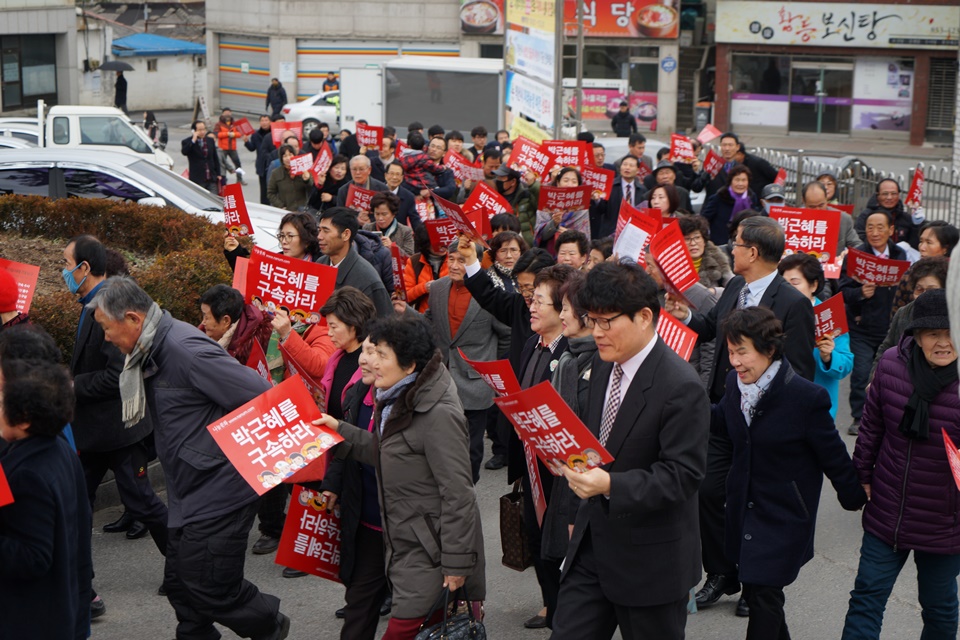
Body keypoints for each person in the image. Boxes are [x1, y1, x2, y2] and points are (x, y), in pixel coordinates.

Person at [87, 277, 290, 640]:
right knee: (181, 585)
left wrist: (219, 454)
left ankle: (270, 624)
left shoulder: (185, 350)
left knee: (210, 586)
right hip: (188, 488)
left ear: (133, 319)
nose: (105, 337)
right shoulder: (151, 349)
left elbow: (260, 396)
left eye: (106, 328)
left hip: (220, 488)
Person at [550, 261, 709, 640]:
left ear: (644, 317)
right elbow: (596, 444)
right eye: (592, 320)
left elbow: (681, 476)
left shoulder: (680, 385)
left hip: (651, 561)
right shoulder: (605, 364)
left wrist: (609, 486)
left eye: (607, 321)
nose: (598, 332)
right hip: (592, 545)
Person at [667, 216, 816, 616]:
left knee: (753, 501)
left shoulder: (793, 302)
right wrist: (683, 317)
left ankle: (755, 583)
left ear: (753, 251)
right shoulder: (736, 286)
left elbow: (799, 368)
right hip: (723, 410)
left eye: (735, 244)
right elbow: (711, 328)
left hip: (764, 423)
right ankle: (720, 571)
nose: (730, 248)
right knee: (709, 490)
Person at [316, 315, 486, 639]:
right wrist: (339, 431)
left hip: (430, 552)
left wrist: (456, 563)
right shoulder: (397, 395)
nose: (371, 363)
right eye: (373, 352)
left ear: (409, 366)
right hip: (404, 544)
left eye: (381, 355)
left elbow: (459, 493)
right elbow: (387, 452)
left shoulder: (437, 412)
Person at [713, 308, 866, 639]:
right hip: (743, 510)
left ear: (769, 350)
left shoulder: (805, 397)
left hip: (784, 515)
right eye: (730, 351)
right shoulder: (734, 384)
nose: (735, 361)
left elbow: (833, 454)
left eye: (742, 351)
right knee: (762, 595)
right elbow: (722, 420)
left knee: (765, 598)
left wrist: (855, 496)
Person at [841, 289, 960, 640]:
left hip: (944, 521)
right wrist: (861, 474)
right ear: (916, 335)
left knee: (939, 608)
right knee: (866, 596)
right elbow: (871, 426)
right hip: (887, 510)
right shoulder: (893, 363)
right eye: (933, 333)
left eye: (951, 332)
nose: (943, 342)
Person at [63, 235, 168, 561]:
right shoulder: (92, 302)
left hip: (120, 430)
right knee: (75, 502)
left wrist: (72, 385)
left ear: (84, 267)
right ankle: (80, 581)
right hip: (95, 432)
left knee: (143, 503)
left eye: (66, 264)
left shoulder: (111, 305)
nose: (62, 271)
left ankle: (185, 567)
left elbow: (116, 375)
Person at [0, 338, 93, 640]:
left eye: (3, 403)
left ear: (25, 418)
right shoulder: (59, 451)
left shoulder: (27, 474)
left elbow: (33, 556)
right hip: (61, 607)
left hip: (29, 619)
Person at [409, 238, 511, 482]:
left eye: (461, 260)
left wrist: (491, 371)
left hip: (475, 382)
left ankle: (467, 492)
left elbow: (506, 334)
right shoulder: (438, 288)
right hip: (441, 379)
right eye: (450, 259)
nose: (454, 265)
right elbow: (429, 322)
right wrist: (407, 313)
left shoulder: (489, 294)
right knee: (440, 440)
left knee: (471, 447)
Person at [319, 337, 390, 639]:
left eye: (374, 353)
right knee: (359, 604)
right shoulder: (359, 392)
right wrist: (333, 484)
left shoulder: (418, 402)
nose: (363, 359)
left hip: (407, 528)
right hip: (366, 521)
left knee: (412, 613)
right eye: (363, 350)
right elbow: (345, 445)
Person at [540, 273, 595, 566]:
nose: (561, 315)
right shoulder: (568, 359)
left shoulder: (601, 364)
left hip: (589, 484)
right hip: (565, 479)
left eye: (565, 307)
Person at [838, 210, 907, 436]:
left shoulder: (901, 255)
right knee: (861, 373)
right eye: (869, 227)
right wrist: (860, 293)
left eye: (880, 227)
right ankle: (859, 416)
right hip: (861, 327)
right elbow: (843, 291)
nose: (874, 232)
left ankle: (884, 417)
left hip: (890, 327)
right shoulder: (855, 256)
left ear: (890, 230)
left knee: (890, 375)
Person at [779, 252, 853, 420]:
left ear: (813, 285)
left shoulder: (830, 315)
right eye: (784, 284)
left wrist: (829, 357)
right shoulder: (775, 312)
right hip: (781, 403)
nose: (788, 289)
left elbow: (846, 364)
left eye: (795, 283)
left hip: (817, 407)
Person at [871, 256, 948, 378]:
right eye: (919, 290)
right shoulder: (904, 313)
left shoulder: (954, 314)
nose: (923, 295)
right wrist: (873, 378)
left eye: (931, 290)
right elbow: (887, 346)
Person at [318, 207, 393, 317]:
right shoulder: (320, 264)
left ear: (346, 234)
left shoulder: (367, 278)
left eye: (326, 231)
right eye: (319, 230)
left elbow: (385, 323)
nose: (319, 236)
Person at [319, 287, 377, 423]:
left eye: (334, 327)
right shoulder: (335, 359)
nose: (329, 333)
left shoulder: (372, 367)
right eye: (328, 326)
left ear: (353, 324)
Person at [888, 220, 958, 319]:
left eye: (929, 242)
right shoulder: (911, 272)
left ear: (945, 248)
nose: (922, 247)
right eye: (921, 241)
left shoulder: (955, 276)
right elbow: (897, 313)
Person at [198, 284, 273, 365]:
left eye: (206, 317)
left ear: (226, 321)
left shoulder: (252, 347)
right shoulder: (202, 334)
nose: (203, 322)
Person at [854, 178, 924, 249]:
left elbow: (915, 245)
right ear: (878, 195)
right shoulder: (866, 216)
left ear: (898, 195)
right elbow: (858, 238)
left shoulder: (905, 217)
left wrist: (917, 226)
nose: (889, 197)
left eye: (893, 194)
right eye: (885, 194)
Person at [701, 165, 761, 246]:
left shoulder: (751, 197)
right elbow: (704, 218)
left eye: (744, 180)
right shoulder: (719, 197)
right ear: (731, 181)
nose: (740, 184)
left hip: (745, 243)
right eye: (737, 180)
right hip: (720, 243)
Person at [535, 168, 591, 252]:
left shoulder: (582, 208)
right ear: (558, 183)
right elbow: (541, 236)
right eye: (566, 180)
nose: (570, 184)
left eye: (574, 181)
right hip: (548, 254)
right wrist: (554, 223)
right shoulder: (547, 202)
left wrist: (570, 234)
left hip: (573, 253)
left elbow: (585, 239)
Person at [590, 155, 644, 239]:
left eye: (631, 165)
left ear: (637, 170)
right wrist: (597, 200)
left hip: (633, 233)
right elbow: (602, 209)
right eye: (625, 164)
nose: (627, 167)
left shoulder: (642, 190)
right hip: (611, 233)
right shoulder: (610, 186)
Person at [679, 215, 733, 290]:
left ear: (704, 240)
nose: (693, 243)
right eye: (687, 239)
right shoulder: (674, 266)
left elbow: (734, 289)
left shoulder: (719, 261)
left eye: (697, 237)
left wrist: (715, 292)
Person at [493, 165, 539, 247]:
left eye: (502, 178)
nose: (498, 180)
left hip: (526, 246)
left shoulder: (527, 196)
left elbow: (541, 202)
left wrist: (533, 185)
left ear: (513, 181)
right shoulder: (492, 197)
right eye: (498, 177)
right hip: (499, 246)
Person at [364, 192, 415, 257]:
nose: (380, 218)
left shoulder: (405, 231)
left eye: (384, 214)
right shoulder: (367, 228)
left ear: (393, 214)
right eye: (377, 214)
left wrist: (393, 247)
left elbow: (410, 257)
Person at [268, 143, 313, 211]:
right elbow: (271, 193)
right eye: (285, 156)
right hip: (286, 210)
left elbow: (311, 188)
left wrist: (307, 180)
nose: (288, 158)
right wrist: (281, 206)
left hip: (302, 210)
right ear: (281, 158)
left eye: (290, 154)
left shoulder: (303, 170)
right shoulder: (276, 173)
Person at [181, 120, 220, 195]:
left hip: (211, 177)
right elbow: (184, 152)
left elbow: (215, 158)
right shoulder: (187, 142)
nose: (202, 132)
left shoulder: (210, 140)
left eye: (204, 129)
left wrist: (218, 174)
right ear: (194, 131)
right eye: (199, 130)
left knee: (214, 199)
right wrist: (193, 140)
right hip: (198, 179)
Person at [245, 114, 275, 204]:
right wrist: (246, 142)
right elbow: (252, 148)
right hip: (261, 165)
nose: (264, 122)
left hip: (272, 164)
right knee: (263, 189)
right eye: (262, 120)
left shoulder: (274, 133)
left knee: (272, 187)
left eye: (266, 120)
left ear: (270, 122)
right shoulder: (255, 135)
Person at [214, 108, 249, 185]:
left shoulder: (235, 124)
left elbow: (240, 133)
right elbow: (216, 134)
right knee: (222, 165)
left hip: (232, 148)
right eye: (225, 113)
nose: (227, 114)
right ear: (222, 114)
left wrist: (233, 134)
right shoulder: (218, 124)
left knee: (238, 164)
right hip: (222, 148)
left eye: (229, 113)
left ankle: (240, 179)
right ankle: (223, 180)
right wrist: (227, 134)